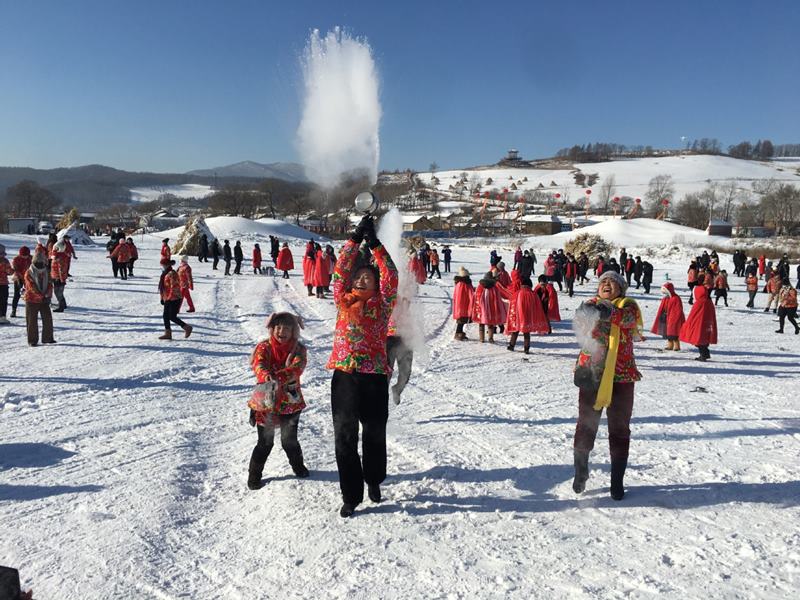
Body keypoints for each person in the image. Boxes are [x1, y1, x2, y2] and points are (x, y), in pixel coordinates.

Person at [327, 215, 398, 518]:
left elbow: (391, 274)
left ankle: (373, 480)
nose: (361, 279)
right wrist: (355, 239)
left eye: (367, 277)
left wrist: (376, 245)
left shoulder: (383, 304)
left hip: (374, 377)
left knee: (373, 433)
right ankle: (350, 494)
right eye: (358, 277)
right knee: (344, 436)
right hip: (344, 376)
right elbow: (340, 270)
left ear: (376, 283)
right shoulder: (342, 299)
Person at [571, 271, 643, 501]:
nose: (606, 284)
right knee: (585, 425)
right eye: (603, 282)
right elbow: (581, 326)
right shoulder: (589, 305)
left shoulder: (628, 306)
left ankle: (616, 481)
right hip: (591, 373)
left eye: (612, 282)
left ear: (621, 288)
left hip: (621, 376)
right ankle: (580, 472)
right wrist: (585, 314)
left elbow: (625, 319)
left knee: (619, 429)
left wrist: (607, 311)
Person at [246, 312, 310, 489]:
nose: (282, 331)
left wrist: (276, 377)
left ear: (294, 331)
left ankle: (298, 466)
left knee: (289, 441)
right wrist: (265, 375)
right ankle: (254, 476)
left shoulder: (299, 349)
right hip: (265, 400)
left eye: (287, 328)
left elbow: (297, 368)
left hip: (290, 400)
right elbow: (258, 364)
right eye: (278, 327)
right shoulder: (264, 347)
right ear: (272, 329)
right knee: (265, 442)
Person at [506, 272, 549, 353]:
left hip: (518, 318)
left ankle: (511, 345)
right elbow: (537, 307)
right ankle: (526, 348)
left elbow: (512, 305)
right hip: (528, 317)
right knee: (526, 333)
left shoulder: (517, 294)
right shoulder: (533, 294)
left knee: (515, 332)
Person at [24, 245, 56, 346]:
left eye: (42, 261)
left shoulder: (46, 270)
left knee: (47, 319)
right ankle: (32, 340)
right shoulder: (29, 272)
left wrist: (48, 293)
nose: (41, 264)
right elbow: (31, 286)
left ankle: (47, 338)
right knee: (31, 321)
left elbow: (50, 283)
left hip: (44, 299)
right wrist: (41, 295)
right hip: (31, 299)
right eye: (39, 262)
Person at [679, 284, 717, 361]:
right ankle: (705, 354)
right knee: (704, 340)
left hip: (699, 325)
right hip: (707, 324)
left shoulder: (699, 302)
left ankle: (703, 355)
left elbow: (693, 315)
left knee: (699, 340)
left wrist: (688, 323)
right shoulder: (708, 301)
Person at [158, 259, 193, 340]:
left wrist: (169, 297)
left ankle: (187, 327)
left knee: (172, 316)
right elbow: (163, 287)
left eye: (162, 265)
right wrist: (162, 298)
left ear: (166, 265)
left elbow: (174, 286)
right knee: (165, 316)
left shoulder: (172, 273)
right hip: (167, 298)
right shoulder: (164, 273)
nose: (162, 266)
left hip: (174, 298)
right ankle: (168, 333)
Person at [472, 270, 508, 343]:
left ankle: (482, 338)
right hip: (491, 309)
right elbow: (497, 299)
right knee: (490, 323)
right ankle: (490, 338)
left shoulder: (480, 286)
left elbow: (476, 297)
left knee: (481, 323)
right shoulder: (493, 287)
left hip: (481, 309)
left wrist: (477, 307)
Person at [651, 282, 685, 350]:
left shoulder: (676, 298)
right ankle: (670, 345)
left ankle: (676, 346)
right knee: (667, 332)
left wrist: (675, 318)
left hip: (673, 318)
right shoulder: (666, 298)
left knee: (674, 333)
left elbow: (678, 309)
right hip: (666, 317)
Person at [452, 266, 474, 340]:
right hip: (464, 304)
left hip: (461, 304)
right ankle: (458, 334)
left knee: (461, 320)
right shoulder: (464, 284)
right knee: (461, 320)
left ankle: (460, 333)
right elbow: (469, 294)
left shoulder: (460, 283)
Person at [10, 246, 31, 319]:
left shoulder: (30, 258)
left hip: (28, 279)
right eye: (23, 255)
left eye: (26, 255)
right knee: (17, 294)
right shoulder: (16, 259)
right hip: (18, 278)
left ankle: (29, 311)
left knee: (29, 295)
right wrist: (21, 277)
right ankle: (13, 310)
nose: (25, 257)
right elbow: (16, 270)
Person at [50, 240, 69, 312]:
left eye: (56, 248)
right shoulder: (56, 255)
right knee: (59, 292)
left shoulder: (60, 257)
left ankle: (61, 306)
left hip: (58, 277)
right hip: (55, 276)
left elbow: (62, 269)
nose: (54, 249)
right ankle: (63, 304)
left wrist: (61, 279)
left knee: (57, 292)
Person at [0, 244, 13, 324]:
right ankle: (2, 317)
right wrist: (13, 271)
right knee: (3, 301)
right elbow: (9, 272)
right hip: (3, 283)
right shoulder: (5, 261)